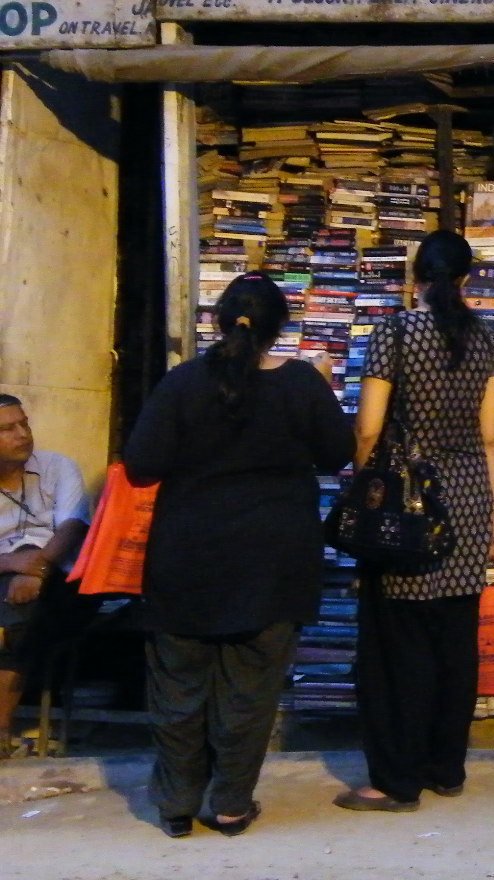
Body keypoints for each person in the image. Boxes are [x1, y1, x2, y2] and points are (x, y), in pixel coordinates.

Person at [124, 274, 352, 838]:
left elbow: (141, 463)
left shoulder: (181, 383)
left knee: (178, 687)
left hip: (188, 556)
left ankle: (177, 804)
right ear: (281, 327)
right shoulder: (302, 383)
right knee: (250, 690)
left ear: (221, 322)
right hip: (273, 560)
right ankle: (229, 804)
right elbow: (336, 455)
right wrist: (323, 387)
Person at [335, 230, 494, 814]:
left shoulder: (396, 333)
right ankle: (445, 768)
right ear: (466, 278)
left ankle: (396, 780)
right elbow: (489, 437)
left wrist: (364, 489)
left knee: (395, 645)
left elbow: (367, 428)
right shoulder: (483, 339)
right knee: (454, 641)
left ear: (417, 277)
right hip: (464, 501)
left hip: (406, 505)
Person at [0, 395, 91, 753]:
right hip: (7, 573)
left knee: (17, 615)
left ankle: (1, 728)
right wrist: (12, 564)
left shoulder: (57, 467)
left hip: (58, 579)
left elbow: (72, 527)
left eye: (25, 424)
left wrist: (37, 569)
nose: (23, 435)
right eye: (8, 429)